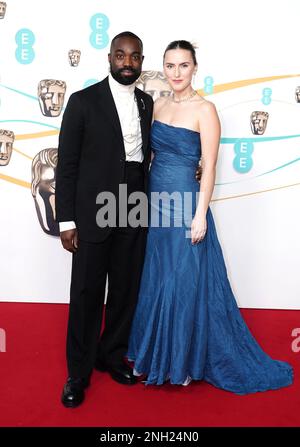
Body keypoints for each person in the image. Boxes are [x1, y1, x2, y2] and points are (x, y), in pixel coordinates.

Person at [127, 40, 293, 394]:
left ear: (194, 68)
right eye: (169, 66)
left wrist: (201, 214)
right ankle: (156, 355)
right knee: (158, 277)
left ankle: (182, 361)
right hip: (157, 203)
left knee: (183, 281)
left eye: (183, 66)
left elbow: (211, 166)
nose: (175, 73)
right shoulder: (156, 106)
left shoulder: (206, 109)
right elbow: (150, 158)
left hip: (187, 203)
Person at [55, 31, 153, 407]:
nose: (127, 63)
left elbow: (145, 156)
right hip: (93, 207)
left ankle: (111, 355)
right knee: (86, 293)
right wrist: (66, 221)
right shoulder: (83, 102)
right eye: (121, 56)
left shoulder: (146, 103)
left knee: (126, 287)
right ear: (109, 58)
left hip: (133, 199)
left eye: (135, 57)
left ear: (141, 61)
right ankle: (77, 374)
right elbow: (68, 166)